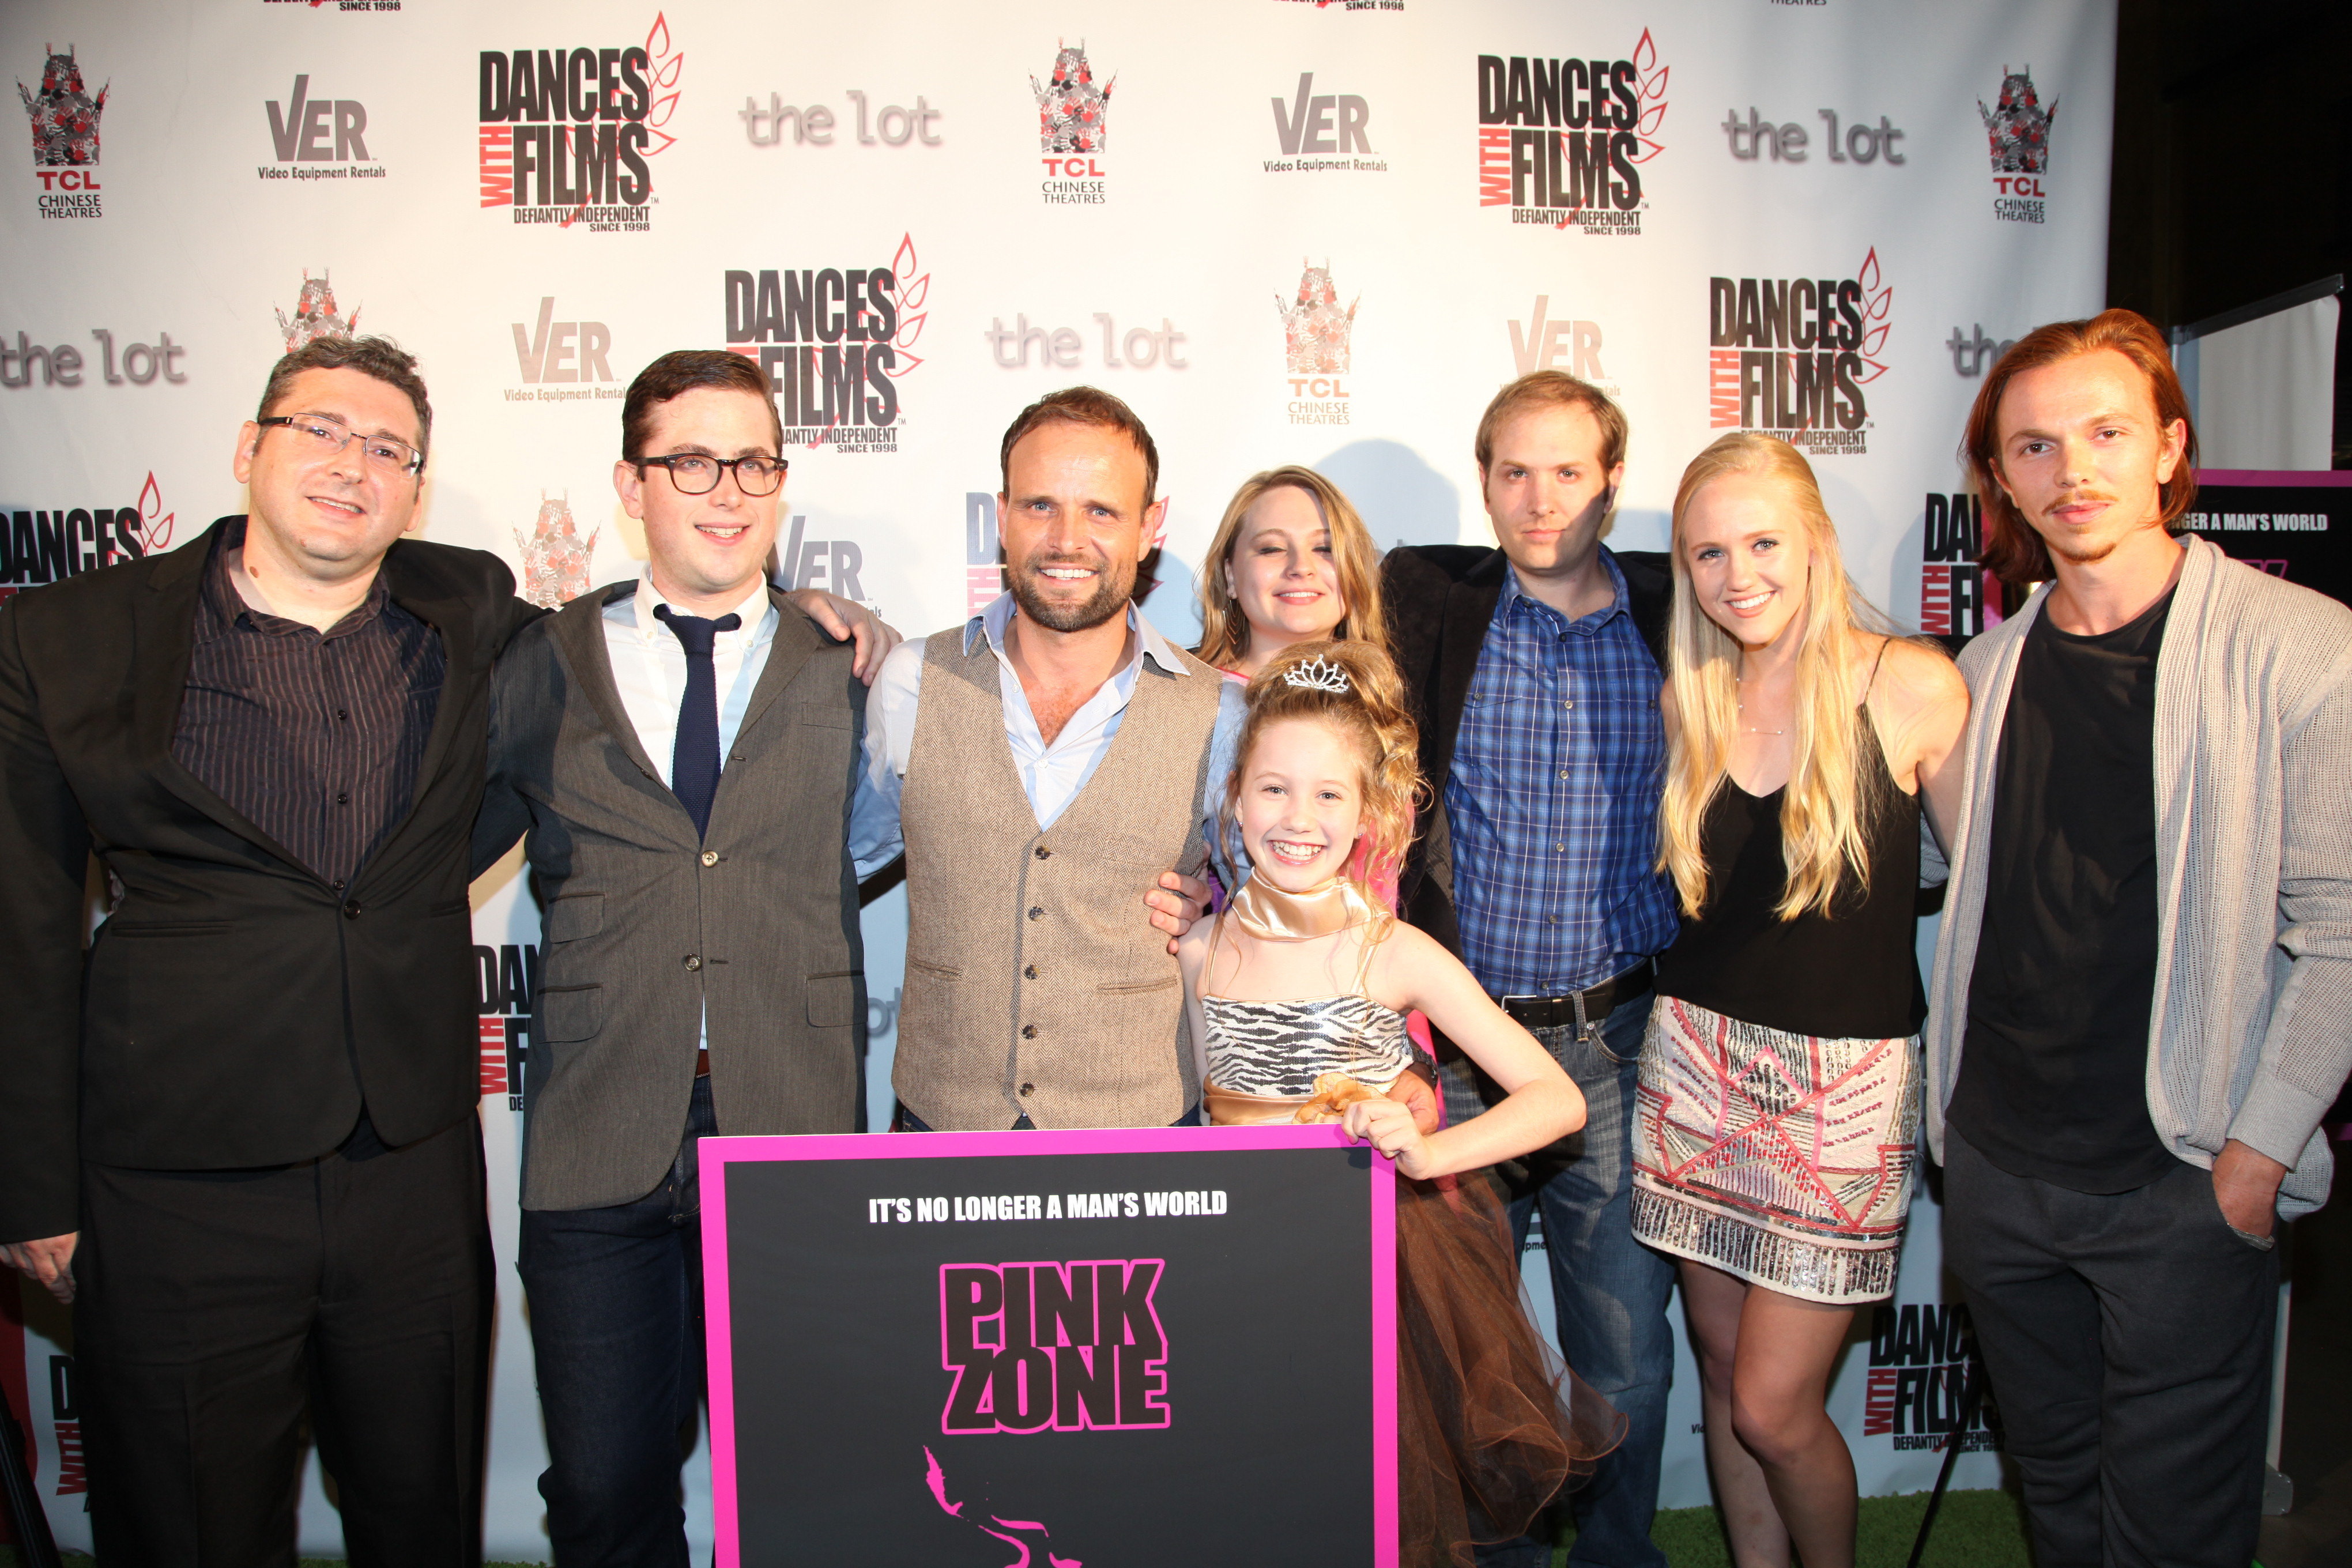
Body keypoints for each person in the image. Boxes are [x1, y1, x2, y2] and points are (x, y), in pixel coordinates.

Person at [0, 336, 530, 1565]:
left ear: (416, 487)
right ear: (249, 449)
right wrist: (32, 1184)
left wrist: (805, 613)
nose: (355, 464)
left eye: (389, 449)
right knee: (187, 1524)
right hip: (177, 1181)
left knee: (424, 1517)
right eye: (323, 431)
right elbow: (22, 922)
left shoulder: (474, 605)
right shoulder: (69, 637)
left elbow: (627, 662)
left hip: (408, 1166)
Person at [1925, 308, 2352, 1568]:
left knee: (2176, 1531)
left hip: (2182, 1174)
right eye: (2037, 448)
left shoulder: (2302, 648)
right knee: (2057, 1495)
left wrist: (2255, 1158)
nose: (2075, 472)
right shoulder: (1985, 668)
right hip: (2001, 1166)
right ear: (2002, 479)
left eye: (2108, 433)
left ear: (2171, 447)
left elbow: (2341, 932)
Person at [470, 350, 899, 1567]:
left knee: (807, 1480)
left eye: (755, 460)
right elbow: (424, 852)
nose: (728, 490)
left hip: (790, 1127)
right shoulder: (541, 661)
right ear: (631, 480)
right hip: (598, 1133)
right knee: (606, 1492)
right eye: (692, 460)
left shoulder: (858, 666)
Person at [1177, 639, 1622, 1566]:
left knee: (1384, 1499)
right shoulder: (1198, 949)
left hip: (1379, 1263)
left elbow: (1555, 1101)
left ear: (1370, 813)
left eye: (1328, 794)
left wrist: (1429, 1153)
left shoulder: (1394, 952)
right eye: (1273, 789)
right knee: (1266, 1491)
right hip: (1242, 1264)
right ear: (1233, 797)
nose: (1298, 818)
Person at [1633, 434, 1967, 1568]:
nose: (1739, 576)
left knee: (1778, 1406)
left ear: (1816, 540)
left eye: (1763, 541)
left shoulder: (1910, 684)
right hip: (1694, 1071)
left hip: (1843, 1098)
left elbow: (1986, 909)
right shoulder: (1695, 695)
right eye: (1709, 553)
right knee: (1726, 1382)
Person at [1383, 371, 1678, 1568]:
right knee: (1470, 1349)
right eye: (1513, 470)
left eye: (1567, 469)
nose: (1539, 496)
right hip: (1457, 1053)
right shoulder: (1427, 598)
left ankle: (1616, 1558)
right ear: (1484, 477)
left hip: (1613, 1043)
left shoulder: (1681, 605)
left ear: (1613, 477)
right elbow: (1280, 651)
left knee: (1623, 1356)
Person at [862, 387, 1238, 1131]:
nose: (1068, 539)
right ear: (1000, 516)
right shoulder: (912, 681)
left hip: (1143, 1136)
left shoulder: (1221, 712)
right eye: (1040, 506)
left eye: (1101, 510)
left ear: (1149, 527)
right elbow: (832, 866)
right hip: (943, 1125)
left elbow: (1284, 909)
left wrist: (1217, 906)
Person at [1192, 465, 1387, 681]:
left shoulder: (1385, 702)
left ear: (1355, 571)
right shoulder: (1181, 703)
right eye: (1273, 549)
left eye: (1325, 549)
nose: (1302, 567)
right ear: (1230, 575)